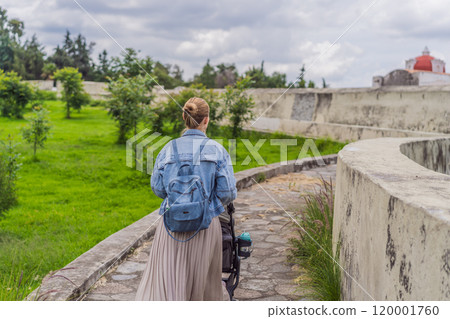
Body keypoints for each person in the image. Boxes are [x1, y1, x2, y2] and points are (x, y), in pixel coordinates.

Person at [135, 97, 237, 301]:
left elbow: (158, 188)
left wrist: (180, 200)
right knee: (204, 285)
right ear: (206, 120)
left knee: (169, 283)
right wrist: (207, 206)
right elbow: (228, 193)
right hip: (205, 227)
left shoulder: (167, 149)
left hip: (172, 226)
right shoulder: (217, 150)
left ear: (184, 117)